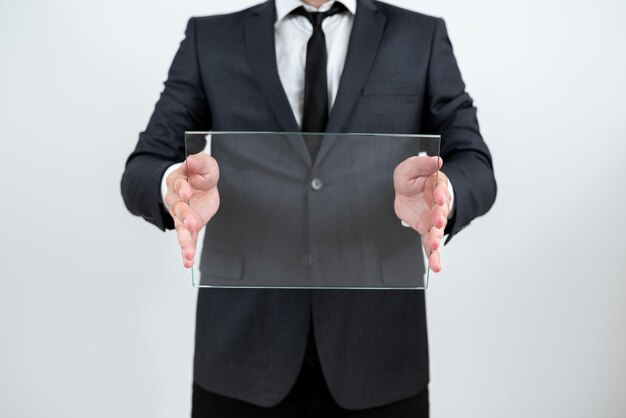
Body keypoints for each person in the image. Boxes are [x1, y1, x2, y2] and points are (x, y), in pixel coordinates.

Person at [121, 0, 496, 416]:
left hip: (380, 348)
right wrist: (172, 185)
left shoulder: (419, 36)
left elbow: (474, 162)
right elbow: (144, 166)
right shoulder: (210, 39)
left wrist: (445, 190)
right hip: (241, 349)